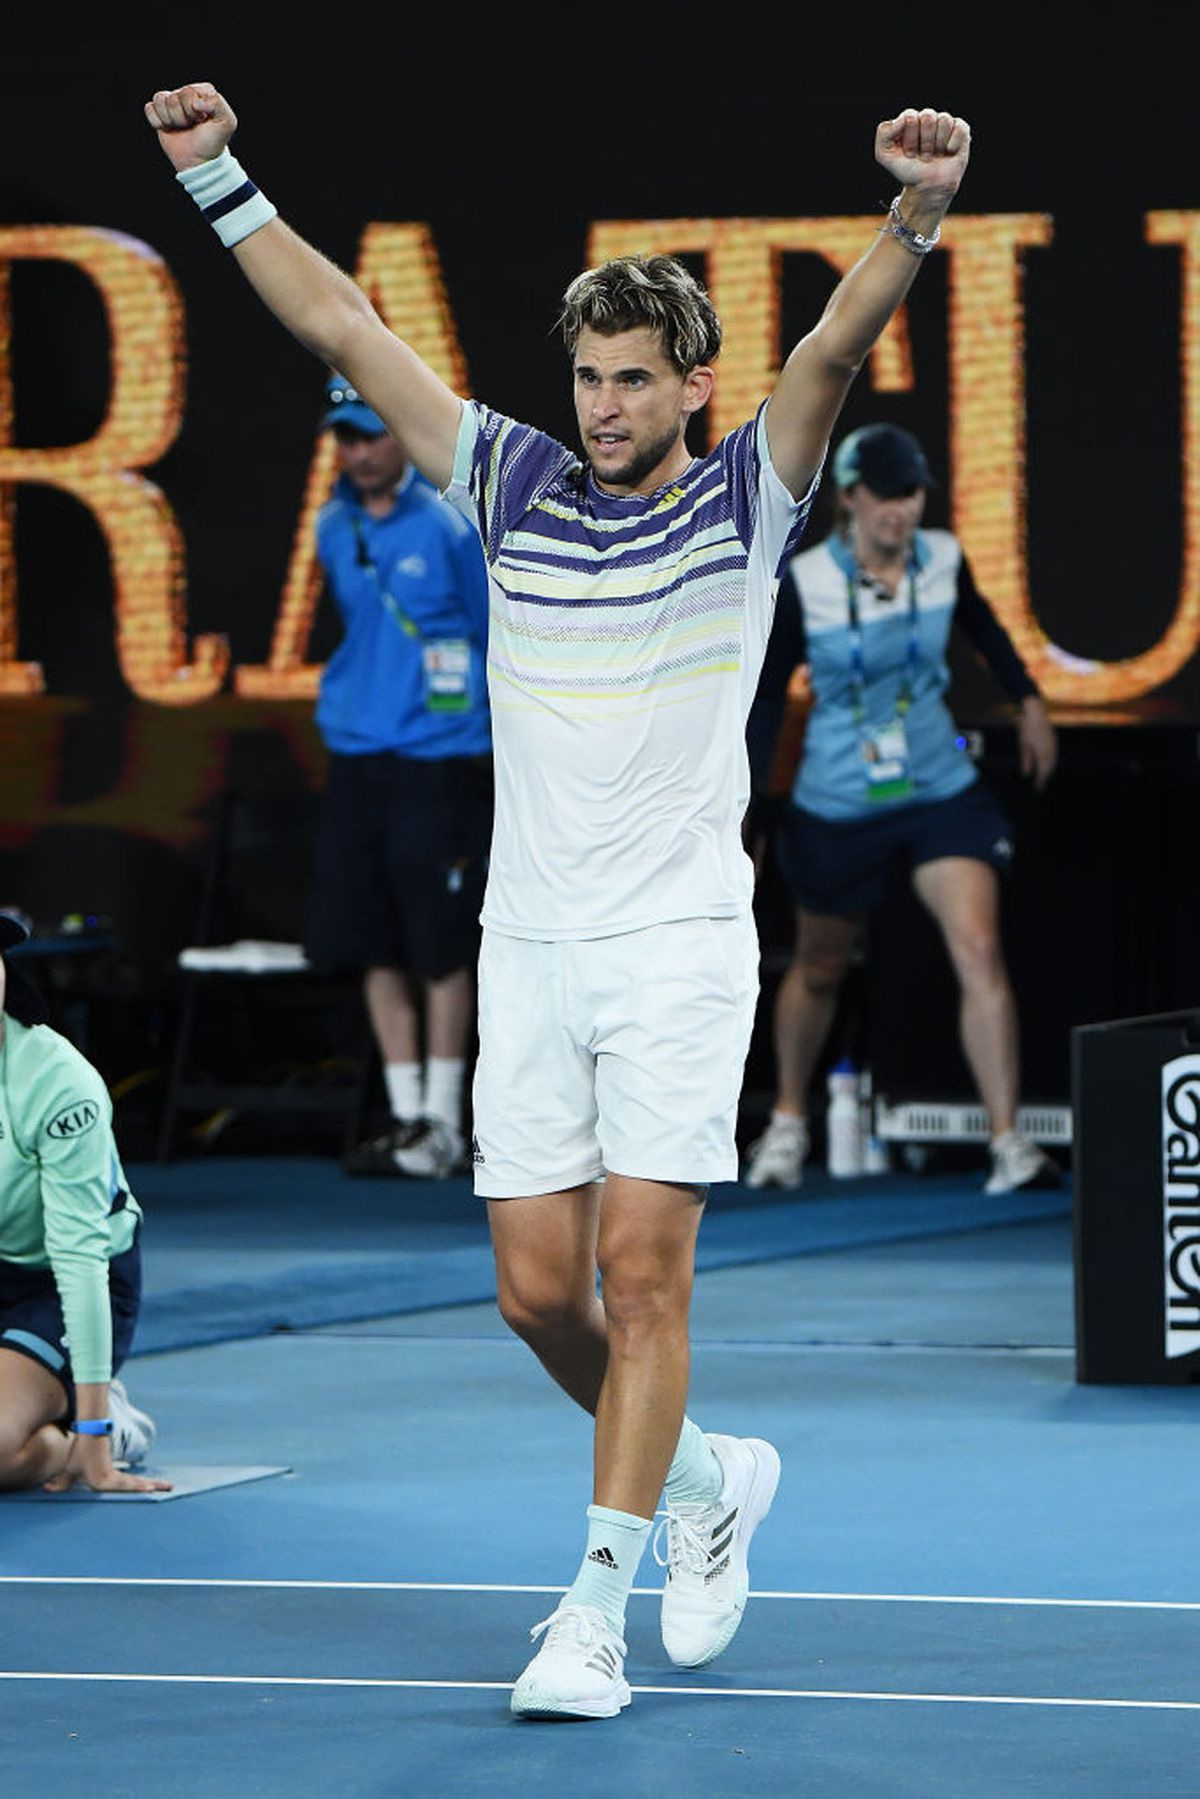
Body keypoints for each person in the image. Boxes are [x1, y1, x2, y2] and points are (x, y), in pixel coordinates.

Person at [144, 83, 971, 1719]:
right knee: (536, 1291)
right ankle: (697, 1477)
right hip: (528, 945)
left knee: (645, 1276)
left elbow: (825, 355)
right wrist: (213, 176)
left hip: (677, 945)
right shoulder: (508, 481)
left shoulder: (746, 499)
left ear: (688, 388)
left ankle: (590, 1606)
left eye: (630, 381)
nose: (600, 406)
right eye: (586, 378)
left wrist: (917, 216)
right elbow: (339, 316)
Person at [743, 422, 1061, 1195]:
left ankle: (1008, 1140)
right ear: (851, 498)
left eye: (911, 494)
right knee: (818, 966)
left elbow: (982, 628)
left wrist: (1029, 701)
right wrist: (743, 805)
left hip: (934, 789)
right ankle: (787, 1121)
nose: (901, 510)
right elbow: (765, 698)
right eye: (885, 495)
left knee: (979, 948)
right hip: (837, 799)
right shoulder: (810, 582)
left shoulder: (943, 559)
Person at [303, 372, 493, 1180]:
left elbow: (495, 631)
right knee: (373, 938)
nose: (359, 451)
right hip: (358, 753)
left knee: (443, 944)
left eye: (373, 433)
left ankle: (447, 1120)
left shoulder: (451, 523)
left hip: (443, 758)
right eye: (345, 437)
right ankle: (410, 1112)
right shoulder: (330, 525)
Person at [0, 911, 170, 1494]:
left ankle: (97, 1424)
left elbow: (79, 1259)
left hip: (57, 1281)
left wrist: (92, 1438)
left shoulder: (58, 1083)